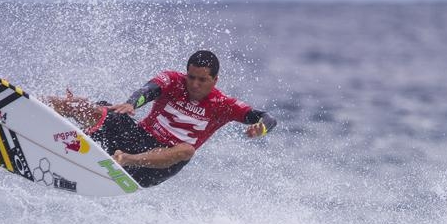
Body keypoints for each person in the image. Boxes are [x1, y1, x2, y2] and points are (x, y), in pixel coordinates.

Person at [44, 50, 276, 188]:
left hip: (154, 167)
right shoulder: (174, 80)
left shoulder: (224, 104)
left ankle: (124, 160)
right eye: (191, 77)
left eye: (202, 80)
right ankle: (23, 105)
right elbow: (151, 89)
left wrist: (261, 129)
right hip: (138, 139)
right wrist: (132, 104)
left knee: (187, 149)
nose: (194, 84)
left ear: (215, 80)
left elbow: (268, 117)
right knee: (91, 108)